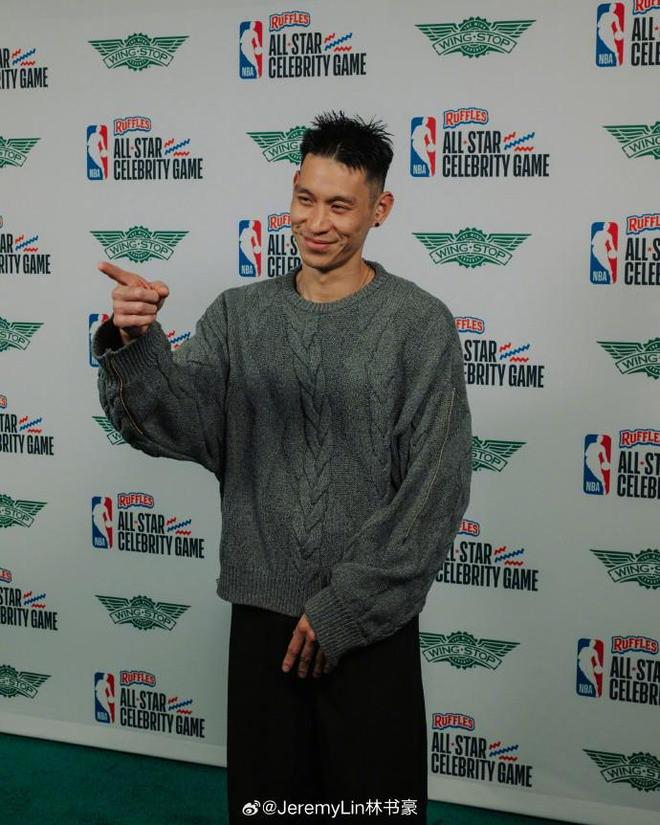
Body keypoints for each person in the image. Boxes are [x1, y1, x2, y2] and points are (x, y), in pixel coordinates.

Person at [93, 111, 472, 823]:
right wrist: (133, 341)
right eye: (305, 198)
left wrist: (346, 609)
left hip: (370, 626)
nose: (317, 222)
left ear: (380, 209)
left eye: (340, 205)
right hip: (262, 621)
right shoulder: (238, 316)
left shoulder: (419, 324)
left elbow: (436, 487)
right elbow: (173, 424)